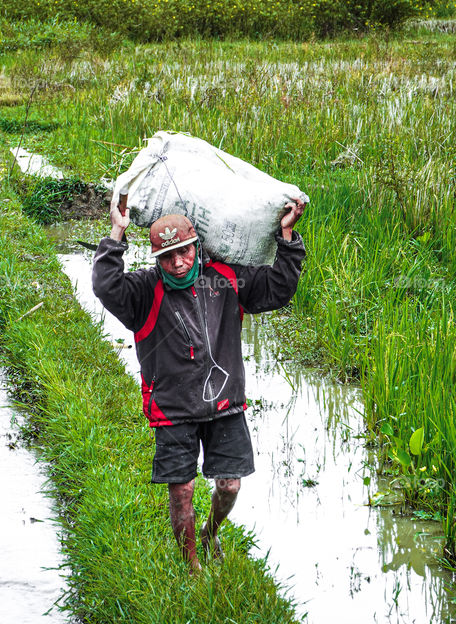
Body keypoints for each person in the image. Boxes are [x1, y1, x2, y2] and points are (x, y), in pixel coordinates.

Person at [91, 198, 306, 573]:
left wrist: (286, 235)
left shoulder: (226, 279)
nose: (177, 263)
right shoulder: (143, 291)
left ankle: (211, 531)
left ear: (198, 246)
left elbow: (279, 287)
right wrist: (117, 231)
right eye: (168, 257)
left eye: (185, 252)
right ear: (157, 258)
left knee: (230, 486)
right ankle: (191, 568)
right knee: (183, 490)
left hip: (224, 403)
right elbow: (106, 284)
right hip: (173, 409)